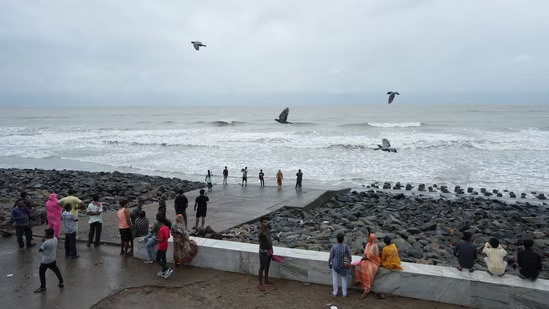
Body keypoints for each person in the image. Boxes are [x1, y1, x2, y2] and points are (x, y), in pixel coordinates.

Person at [354, 228, 384, 299]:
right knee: (359, 266)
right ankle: (359, 282)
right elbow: (365, 254)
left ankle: (366, 290)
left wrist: (365, 258)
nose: (368, 239)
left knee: (368, 271)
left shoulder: (374, 246)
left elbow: (373, 257)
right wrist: (364, 258)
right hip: (367, 260)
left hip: (374, 262)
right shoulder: (368, 244)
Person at [34, 228, 63, 293]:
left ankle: (43, 287)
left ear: (49, 235)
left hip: (46, 261)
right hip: (53, 259)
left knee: (41, 272)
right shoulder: (55, 239)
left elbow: (40, 250)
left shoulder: (46, 243)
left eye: (46, 234)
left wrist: (43, 239)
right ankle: (61, 282)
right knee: (56, 270)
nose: (45, 234)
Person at [257, 216, 279, 292]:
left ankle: (266, 279)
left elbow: (269, 237)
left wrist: (274, 237)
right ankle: (260, 283)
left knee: (267, 265)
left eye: (266, 222)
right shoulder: (261, 231)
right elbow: (259, 236)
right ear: (261, 223)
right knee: (262, 267)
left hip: (269, 251)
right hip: (263, 252)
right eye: (264, 222)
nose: (265, 223)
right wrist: (263, 228)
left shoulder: (267, 229)